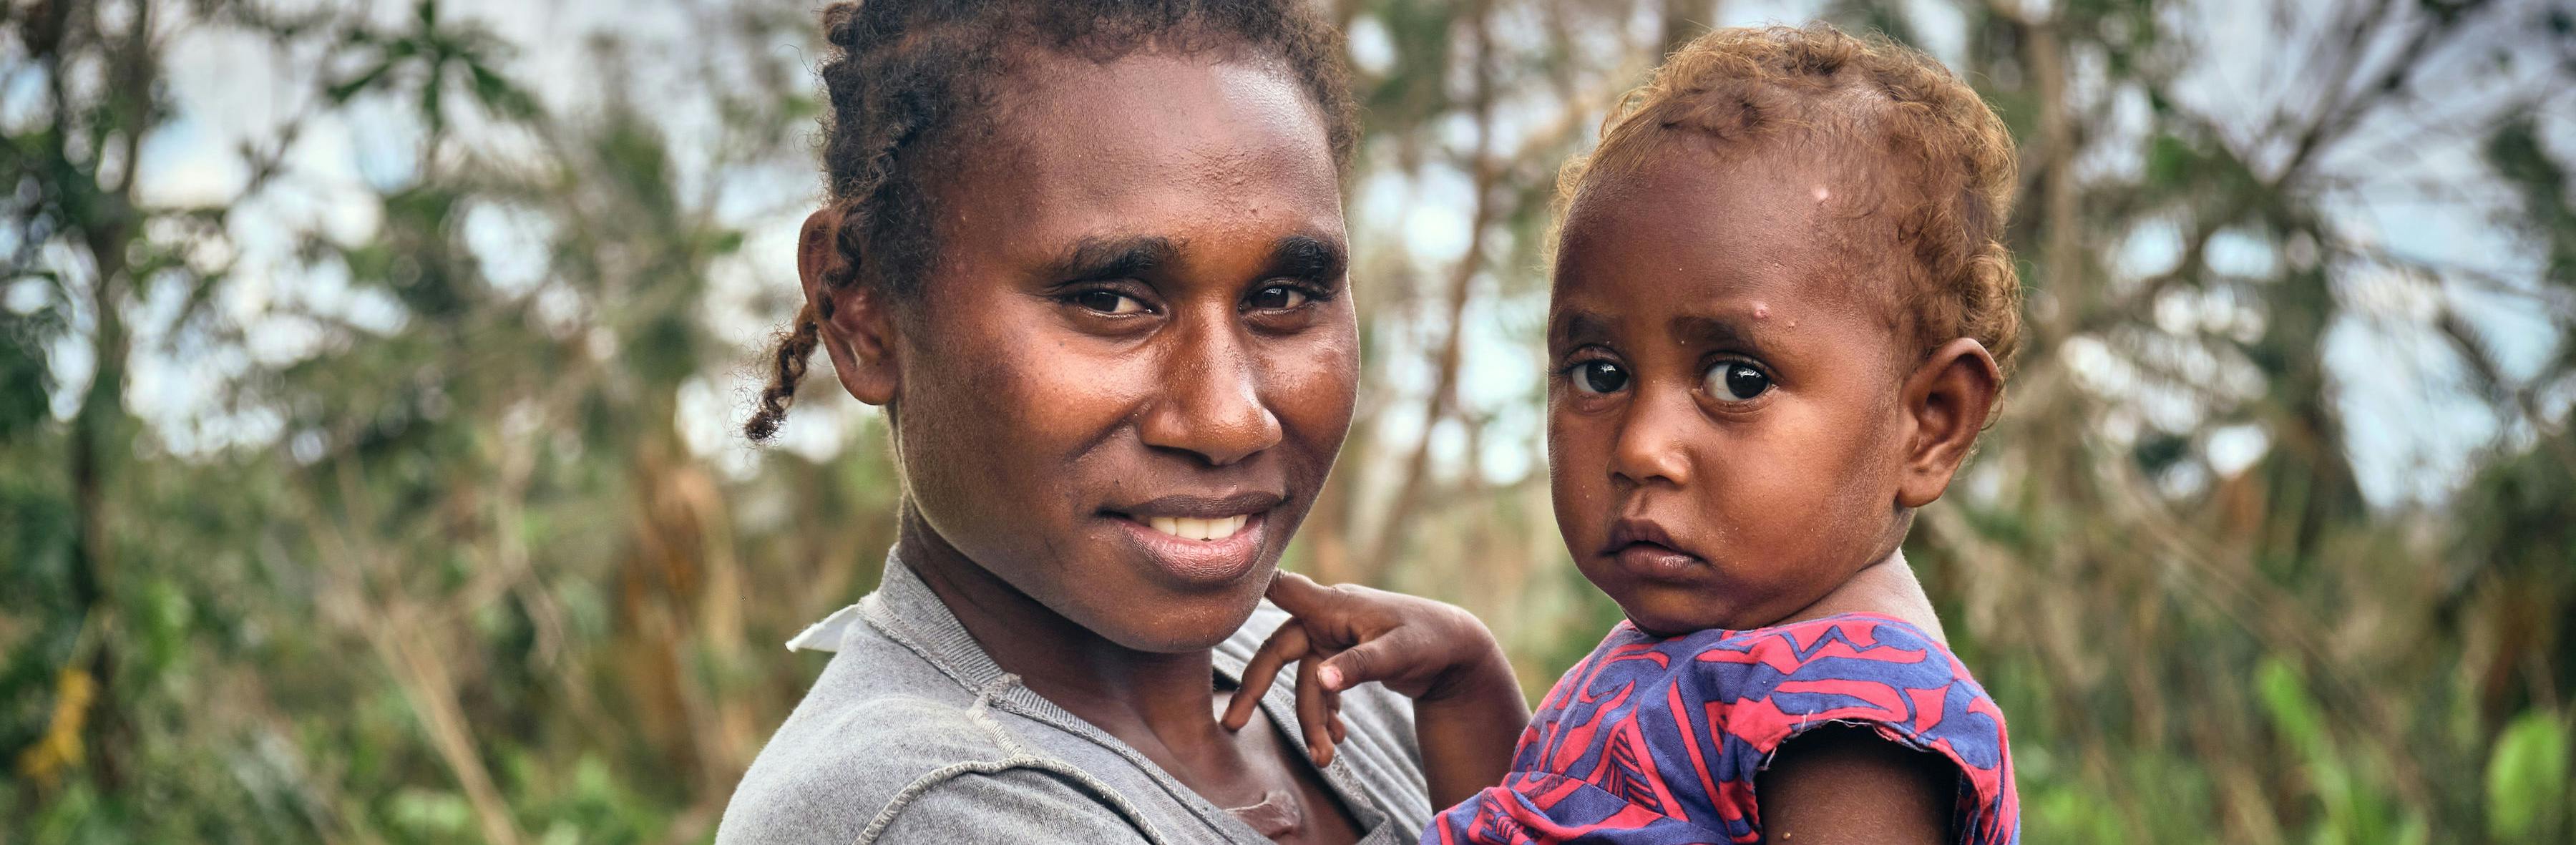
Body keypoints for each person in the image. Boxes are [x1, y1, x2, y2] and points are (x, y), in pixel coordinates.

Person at [713, 1, 1525, 843]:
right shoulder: (927, 808)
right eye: (1108, 300)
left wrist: (1478, 708)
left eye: (1280, 297)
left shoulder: (1359, 694)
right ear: (862, 314)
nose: (1228, 419)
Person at [1238, 23, 2024, 844]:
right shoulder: (1709, 656)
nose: (1641, 446)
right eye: (1600, 374)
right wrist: (1464, 682)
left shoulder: (1851, 722)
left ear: (1931, 423)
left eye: (1738, 379)